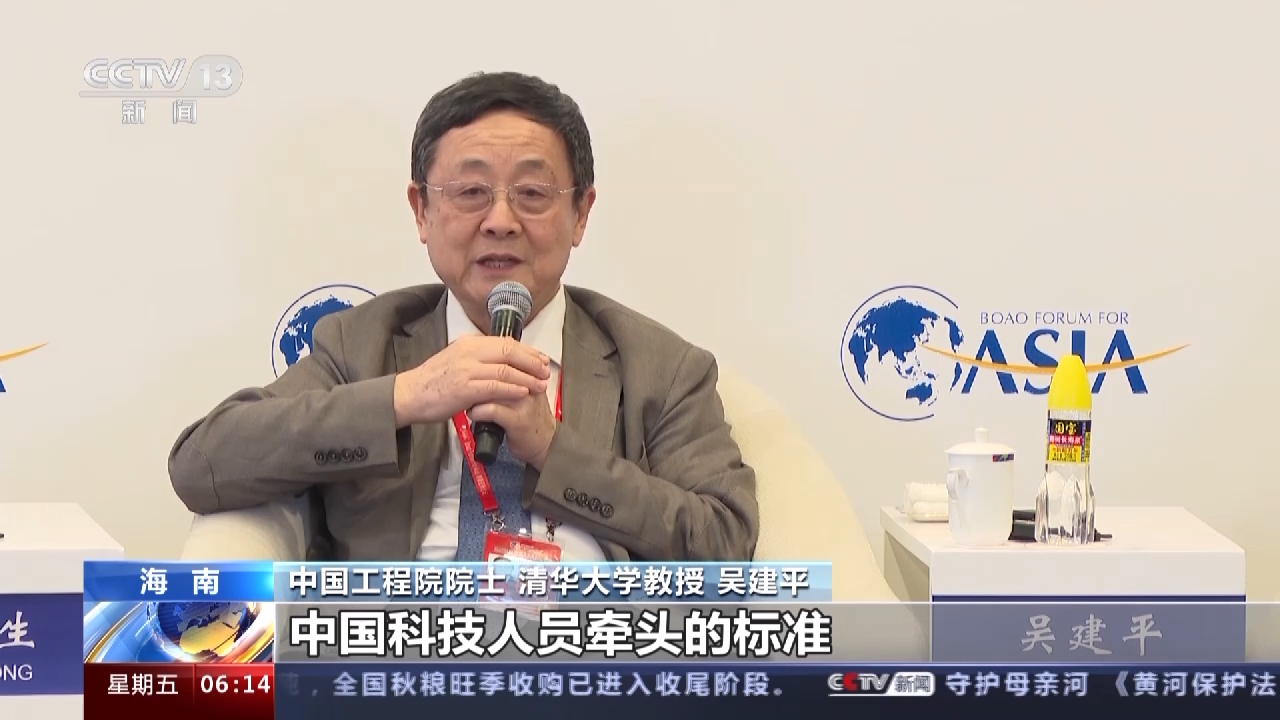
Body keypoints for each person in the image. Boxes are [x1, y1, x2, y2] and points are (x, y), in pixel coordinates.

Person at [169, 72, 759, 563]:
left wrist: (554, 452)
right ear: (421, 211)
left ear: (581, 213)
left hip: (583, 650)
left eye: (532, 193)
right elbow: (203, 463)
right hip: (401, 649)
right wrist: (405, 397)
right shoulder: (363, 343)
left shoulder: (660, 367)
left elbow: (725, 539)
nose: (500, 221)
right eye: (471, 192)